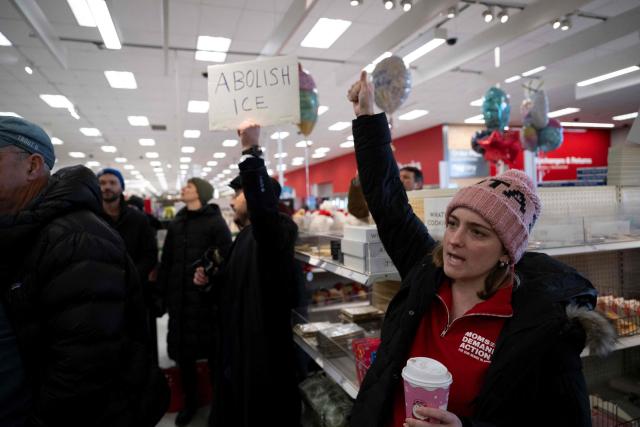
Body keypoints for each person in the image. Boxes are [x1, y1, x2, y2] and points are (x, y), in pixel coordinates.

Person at [346, 72, 615, 427]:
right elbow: (389, 203)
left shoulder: (541, 328)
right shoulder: (428, 271)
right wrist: (368, 118)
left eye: (478, 232)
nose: (455, 239)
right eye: (454, 222)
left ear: (507, 251)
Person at [0, 116, 169, 426]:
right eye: (102, 181)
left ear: (32, 166)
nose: (106, 187)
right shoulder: (26, 230)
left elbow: (82, 369)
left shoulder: (76, 238)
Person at [194, 122, 301, 427]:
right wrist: (208, 281)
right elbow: (229, 289)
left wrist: (251, 150)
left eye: (239, 192)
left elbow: (265, 213)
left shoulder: (276, 231)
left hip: (262, 357)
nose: (231, 200)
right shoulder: (244, 237)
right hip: (237, 350)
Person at [157, 177, 232, 426]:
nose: (183, 189)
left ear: (200, 192)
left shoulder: (215, 222)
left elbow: (226, 261)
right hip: (179, 303)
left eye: (189, 186)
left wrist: (209, 277)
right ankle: (190, 404)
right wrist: (162, 295)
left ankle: (219, 407)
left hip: (205, 304)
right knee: (183, 358)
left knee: (213, 359)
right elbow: (166, 262)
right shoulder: (177, 222)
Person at [98, 167, 160, 361]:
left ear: (121, 188)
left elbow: (150, 254)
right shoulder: (90, 219)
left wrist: (130, 277)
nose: (107, 187)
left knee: (140, 347)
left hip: (135, 295)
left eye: (112, 183)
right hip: (101, 297)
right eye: (102, 183)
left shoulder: (139, 220)